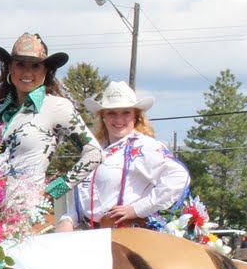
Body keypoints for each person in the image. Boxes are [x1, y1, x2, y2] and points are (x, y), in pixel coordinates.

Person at [0, 32, 102, 224]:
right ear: (9, 69)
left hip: (26, 216)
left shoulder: (57, 107)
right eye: (20, 64)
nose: (27, 72)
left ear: (46, 71)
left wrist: (54, 189)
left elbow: (94, 153)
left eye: (35, 66)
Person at [63, 83, 190, 231]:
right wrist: (67, 220)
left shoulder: (144, 146)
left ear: (136, 116)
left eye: (126, 113)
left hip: (128, 235)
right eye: (111, 113)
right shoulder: (95, 151)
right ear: (103, 116)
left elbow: (178, 177)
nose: (119, 119)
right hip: (93, 234)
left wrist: (137, 209)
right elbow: (85, 197)